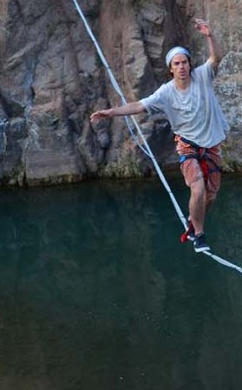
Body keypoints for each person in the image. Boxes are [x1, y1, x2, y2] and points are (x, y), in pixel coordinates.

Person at [90, 18, 228, 253]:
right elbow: (138, 106)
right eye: (177, 64)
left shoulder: (203, 76)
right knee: (197, 188)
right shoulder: (165, 93)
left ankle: (194, 223)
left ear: (189, 64)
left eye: (185, 62)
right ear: (171, 68)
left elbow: (216, 58)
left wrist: (209, 36)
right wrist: (111, 112)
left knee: (210, 197)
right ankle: (200, 235)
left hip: (212, 144)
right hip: (187, 145)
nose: (182, 67)